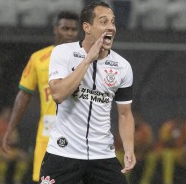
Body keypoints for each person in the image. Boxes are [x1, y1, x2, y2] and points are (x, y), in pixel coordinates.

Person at [41, 1, 136, 184]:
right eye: (104, 21)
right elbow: (58, 95)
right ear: (87, 27)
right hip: (63, 152)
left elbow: (125, 114)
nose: (111, 27)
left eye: (113, 22)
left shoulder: (123, 66)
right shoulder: (63, 53)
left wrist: (129, 148)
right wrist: (87, 60)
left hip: (102, 155)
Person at [2, 11, 79, 183]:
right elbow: (24, 94)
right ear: (55, 29)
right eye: (65, 28)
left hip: (77, 130)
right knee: (44, 179)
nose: (69, 33)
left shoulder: (86, 59)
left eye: (73, 30)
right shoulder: (38, 58)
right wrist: (10, 127)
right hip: (49, 131)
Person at [155, 114, 186, 184]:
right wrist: (175, 135)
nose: (179, 122)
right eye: (177, 120)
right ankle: (168, 181)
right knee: (168, 155)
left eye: (181, 120)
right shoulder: (167, 126)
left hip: (183, 151)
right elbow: (165, 143)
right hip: (170, 151)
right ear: (173, 120)